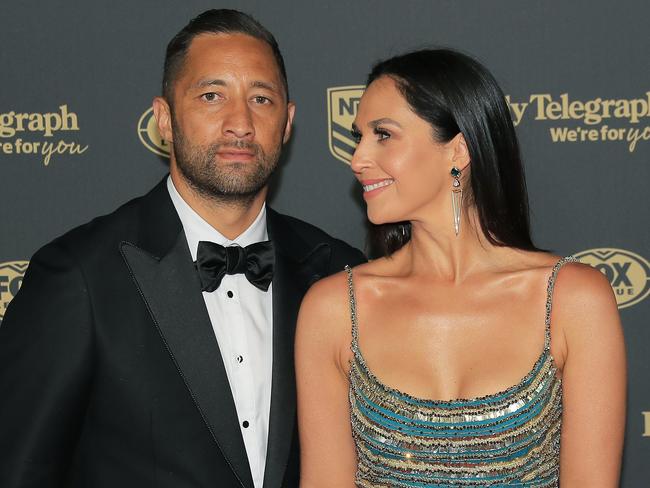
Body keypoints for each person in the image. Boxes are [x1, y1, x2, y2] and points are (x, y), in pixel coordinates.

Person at [0, 9, 364, 488]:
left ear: (288, 121)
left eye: (262, 98)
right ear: (164, 120)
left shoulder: (340, 274)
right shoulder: (80, 275)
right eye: (212, 96)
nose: (240, 123)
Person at [296, 49, 626, 487]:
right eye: (359, 137)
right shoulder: (334, 308)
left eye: (383, 135)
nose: (358, 159)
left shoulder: (573, 299)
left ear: (458, 150)